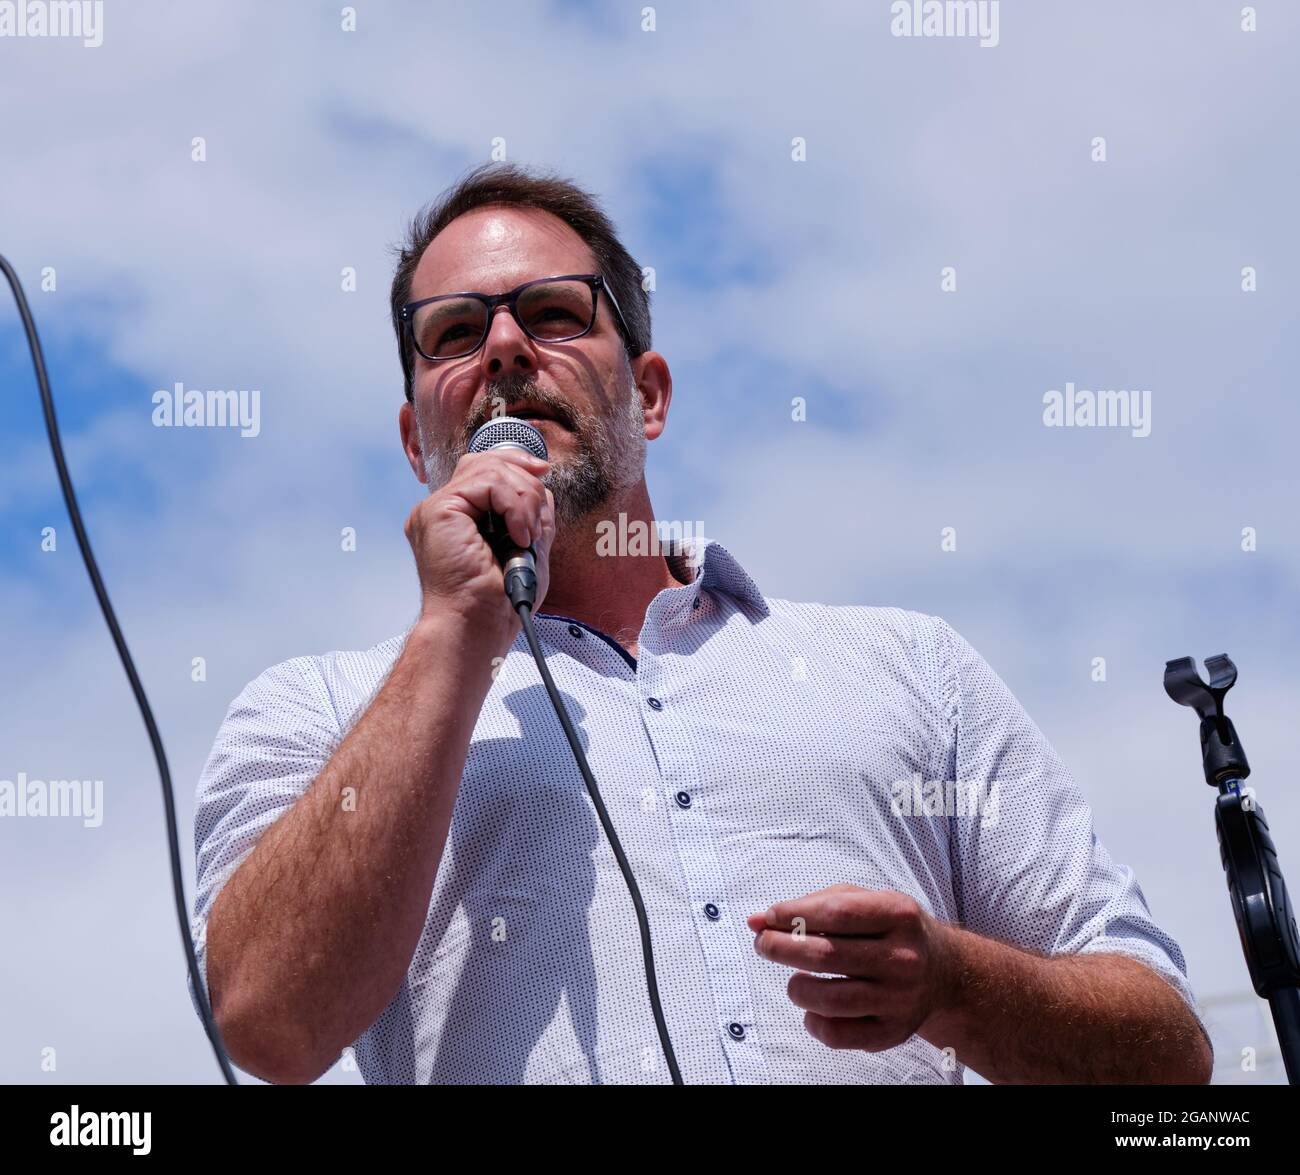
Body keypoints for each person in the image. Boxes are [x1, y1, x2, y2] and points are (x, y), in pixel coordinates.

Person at [189, 162, 1213, 1085]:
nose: (503, 346)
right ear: (419, 439)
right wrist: (454, 631)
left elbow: (1165, 1057)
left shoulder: (911, 666)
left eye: (552, 312)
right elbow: (269, 1026)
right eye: (455, 332)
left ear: (650, 395)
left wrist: (953, 984)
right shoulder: (316, 711)